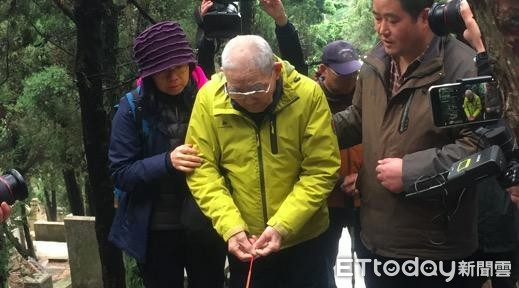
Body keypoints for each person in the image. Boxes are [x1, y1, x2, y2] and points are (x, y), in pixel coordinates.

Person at [333, 0, 481, 286]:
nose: (382, 30)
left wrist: (412, 172)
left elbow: (478, 145)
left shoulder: (461, 67)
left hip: (435, 249)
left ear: (424, 17)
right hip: (376, 238)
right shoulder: (376, 63)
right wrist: (309, 132)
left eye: (392, 20)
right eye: (376, 18)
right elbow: (359, 118)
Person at [185, 35, 341, 287]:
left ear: (276, 71)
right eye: (236, 89)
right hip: (247, 242)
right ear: (224, 75)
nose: (246, 98)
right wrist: (231, 226)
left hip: (306, 239)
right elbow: (202, 169)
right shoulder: (209, 98)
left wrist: (283, 226)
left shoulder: (307, 95)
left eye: (256, 88)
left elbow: (321, 170)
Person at [108, 21, 226, 288]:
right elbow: (120, 173)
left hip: (206, 221)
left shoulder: (207, 99)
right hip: (157, 230)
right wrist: (166, 162)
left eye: (180, 68)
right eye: (163, 72)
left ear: (190, 65)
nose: (174, 77)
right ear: (150, 75)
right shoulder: (131, 109)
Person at [259, 1, 365, 286]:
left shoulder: (365, 99)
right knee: (322, 266)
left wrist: (364, 178)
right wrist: (282, 22)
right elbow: (293, 59)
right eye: (342, 72)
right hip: (324, 201)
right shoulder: (310, 98)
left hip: (363, 197)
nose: (349, 78)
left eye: (353, 72)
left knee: (370, 265)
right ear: (323, 70)